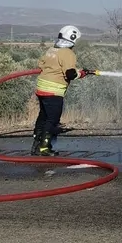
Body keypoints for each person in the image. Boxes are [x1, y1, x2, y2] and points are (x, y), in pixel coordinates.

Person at [31, 25, 94, 156]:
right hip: (53, 91)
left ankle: (36, 145)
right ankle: (44, 148)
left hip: (41, 88)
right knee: (52, 120)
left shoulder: (52, 50)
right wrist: (82, 73)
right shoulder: (68, 53)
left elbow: (41, 64)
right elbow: (70, 74)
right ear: (73, 39)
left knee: (43, 117)